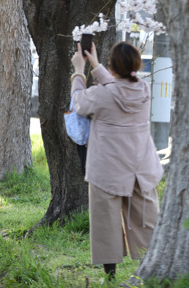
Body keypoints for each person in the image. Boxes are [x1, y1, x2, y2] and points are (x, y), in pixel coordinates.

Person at [72, 41, 164, 283]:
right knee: (146, 220)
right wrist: (96, 65)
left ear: (112, 66)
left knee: (106, 222)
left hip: (107, 168)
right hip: (140, 167)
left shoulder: (101, 95)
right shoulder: (144, 90)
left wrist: (80, 72)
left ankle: (110, 278)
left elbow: (79, 103)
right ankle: (151, 270)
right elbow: (118, 88)